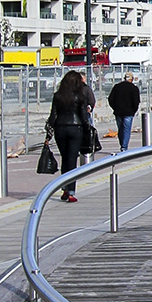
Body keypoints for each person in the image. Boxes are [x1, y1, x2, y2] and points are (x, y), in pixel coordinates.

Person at [44, 70, 92, 203]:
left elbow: (53, 115)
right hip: (75, 128)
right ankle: (70, 190)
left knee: (65, 158)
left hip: (60, 128)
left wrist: (49, 133)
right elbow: (83, 116)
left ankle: (64, 187)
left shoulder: (58, 96)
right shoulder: (80, 96)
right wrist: (87, 128)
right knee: (72, 160)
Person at [107, 72, 140, 152]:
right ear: (131, 79)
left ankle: (122, 144)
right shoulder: (133, 88)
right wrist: (134, 110)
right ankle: (124, 147)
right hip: (128, 112)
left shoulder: (117, 87)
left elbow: (110, 99)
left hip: (118, 112)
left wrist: (115, 108)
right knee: (126, 130)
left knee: (120, 129)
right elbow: (136, 101)